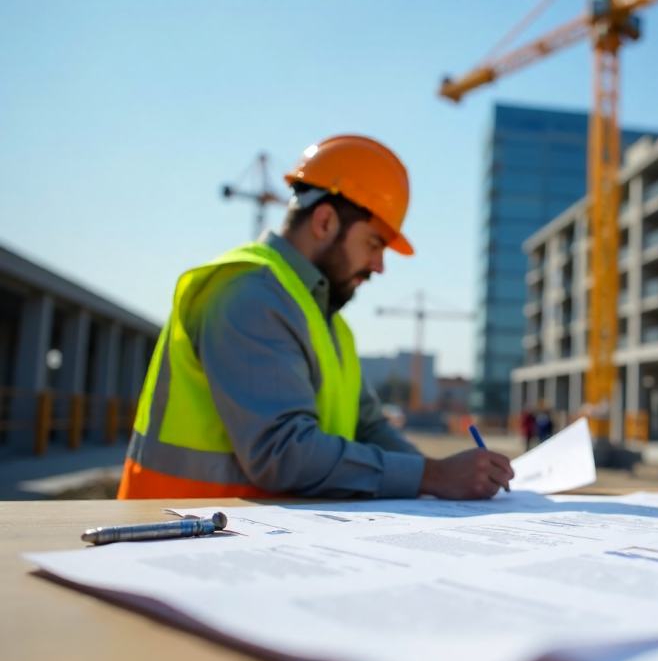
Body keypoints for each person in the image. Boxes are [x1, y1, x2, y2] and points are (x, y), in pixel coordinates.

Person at [118, 135, 513, 500]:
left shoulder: (328, 323)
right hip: (177, 534)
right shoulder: (249, 294)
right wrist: (434, 476)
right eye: (373, 243)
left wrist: (445, 474)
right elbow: (282, 452)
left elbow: (368, 427)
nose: (379, 266)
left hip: (249, 536)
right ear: (325, 222)